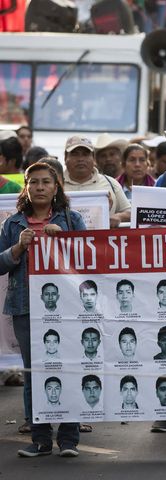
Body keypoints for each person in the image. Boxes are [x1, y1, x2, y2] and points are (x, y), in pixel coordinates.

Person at [2, 161, 85, 457]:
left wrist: (63, 238)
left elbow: (89, 259)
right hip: (25, 308)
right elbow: (0, 265)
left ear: (56, 187)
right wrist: (17, 249)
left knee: (70, 368)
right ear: (26, 187)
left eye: (45, 182)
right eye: (33, 182)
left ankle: (69, 439)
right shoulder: (13, 224)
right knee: (34, 372)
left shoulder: (72, 220)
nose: (39, 187)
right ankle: (40, 439)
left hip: (68, 308)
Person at [63, 136, 131, 228]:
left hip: (102, 241)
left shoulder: (111, 183)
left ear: (93, 158)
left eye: (85, 154)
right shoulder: (56, 185)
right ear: (65, 158)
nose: (80, 159)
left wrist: (119, 216)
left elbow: (130, 212)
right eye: (75, 154)